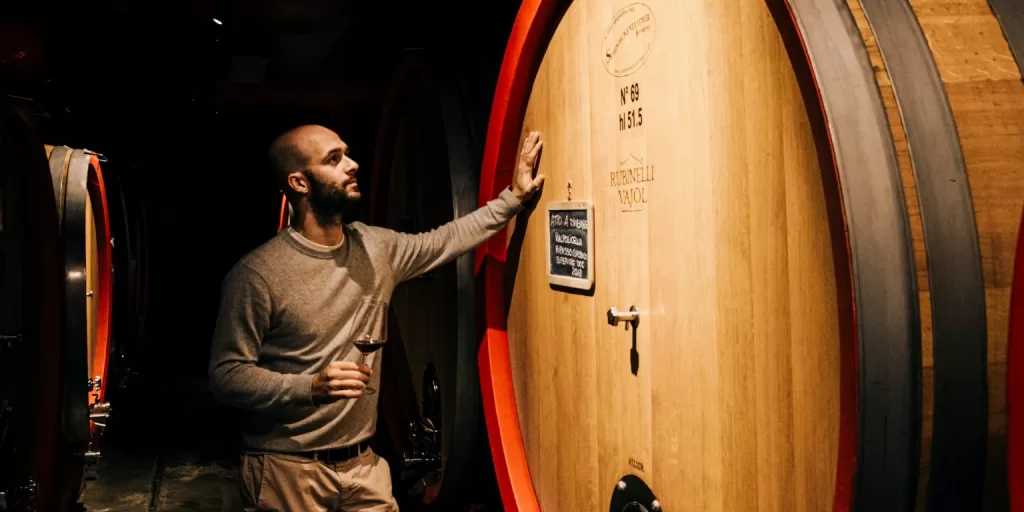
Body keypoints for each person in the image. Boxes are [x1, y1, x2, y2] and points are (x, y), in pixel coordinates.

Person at [208, 124, 544, 511]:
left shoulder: (376, 247)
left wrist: (513, 199)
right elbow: (227, 375)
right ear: (299, 183)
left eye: (347, 153)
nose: (352, 165)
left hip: (364, 467)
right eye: (334, 160)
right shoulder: (257, 274)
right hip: (288, 471)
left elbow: (445, 239)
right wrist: (310, 386)